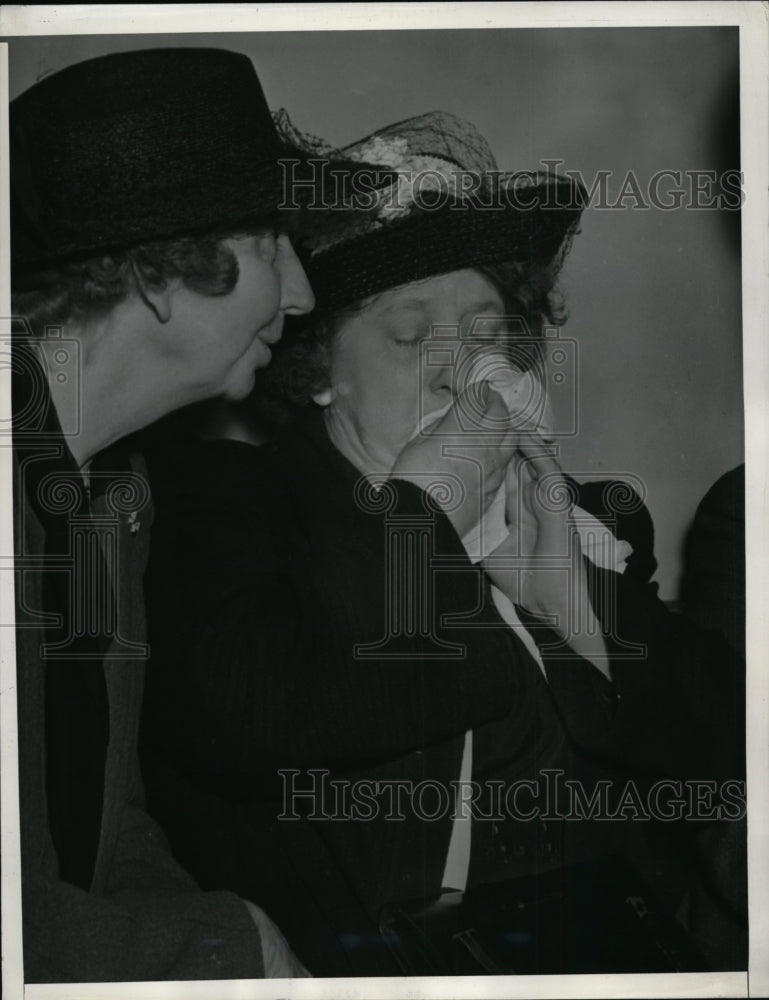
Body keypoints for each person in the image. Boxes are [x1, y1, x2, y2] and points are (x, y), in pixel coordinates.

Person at [140, 112, 746, 975]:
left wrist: (566, 602)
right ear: (318, 370)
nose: (459, 366)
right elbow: (245, 721)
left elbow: (726, 751)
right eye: (411, 334)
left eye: (488, 332)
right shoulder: (230, 501)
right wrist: (422, 514)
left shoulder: (580, 514)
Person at [7, 45, 381, 983]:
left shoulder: (108, 499)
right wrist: (222, 945)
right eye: (269, 246)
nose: (299, 295)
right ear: (155, 270)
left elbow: (106, 833)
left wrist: (216, 935)